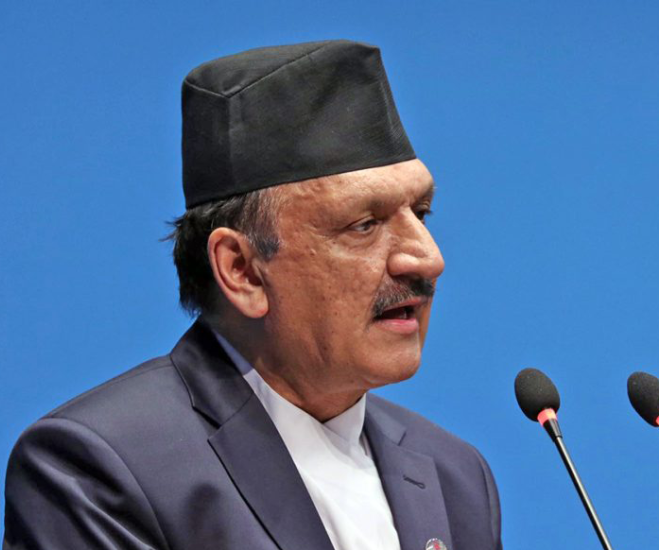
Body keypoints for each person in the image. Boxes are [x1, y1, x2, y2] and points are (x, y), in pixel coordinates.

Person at [3, 40, 502, 550]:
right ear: (242, 271)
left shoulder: (455, 475)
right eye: (364, 225)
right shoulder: (100, 469)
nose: (428, 259)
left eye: (420, 213)